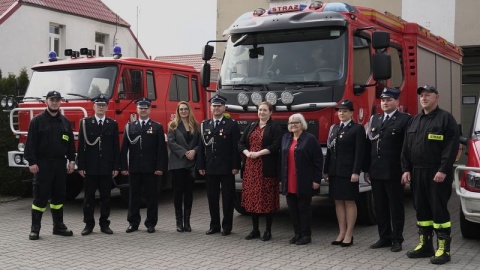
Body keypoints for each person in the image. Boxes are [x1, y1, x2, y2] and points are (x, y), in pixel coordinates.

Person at [401, 85, 459, 265]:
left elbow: (451, 147)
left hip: (437, 173)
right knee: (421, 208)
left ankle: (444, 249)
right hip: (417, 172)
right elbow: (406, 147)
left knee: (438, 209)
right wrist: (406, 169)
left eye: (428, 95)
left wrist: (443, 169)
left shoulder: (445, 119)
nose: (424, 98)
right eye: (421, 96)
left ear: (437, 97)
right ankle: (425, 245)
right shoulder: (414, 120)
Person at [24, 90, 76, 240]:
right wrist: (32, 162)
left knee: (59, 196)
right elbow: (30, 144)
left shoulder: (64, 121)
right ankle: (35, 229)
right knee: (40, 198)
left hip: (60, 164)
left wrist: (72, 161)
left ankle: (58, 226)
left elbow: (70, 145)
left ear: (60, 102)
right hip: (43, 164)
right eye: (52, 100)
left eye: (57, 100)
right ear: (46, 101)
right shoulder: (37, 121)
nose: (54, 102)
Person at [364, 88, 411, 252]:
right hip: (376, 171)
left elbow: (407, 147)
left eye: (389, 100)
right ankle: (384, 237)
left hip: (394, 171)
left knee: (395, 207)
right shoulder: (375, 119)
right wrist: (367, 168)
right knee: (380, 206)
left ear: (397, 102)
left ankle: (397, 239)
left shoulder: (405, 120)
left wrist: (406, 169)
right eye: (383, 100)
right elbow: (369, 145)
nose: (385, 103)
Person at [120, 98, 168, 234]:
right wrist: (123, 166)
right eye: (141, 108)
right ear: (137, 110)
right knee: (133, 196)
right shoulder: (130, 127)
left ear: (149, 110)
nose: (143, 110)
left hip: (151, 168)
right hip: (135, 168)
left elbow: (161, 150)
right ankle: (133, 223)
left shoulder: (156, 127)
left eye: (145, 108)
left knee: (151, 197)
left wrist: (160, 167)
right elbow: (124, 149)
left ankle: (151, 223)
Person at [238, 101, 283, 241]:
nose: (261, 112)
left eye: (264, 110)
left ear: (270, 112)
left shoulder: (275, 127)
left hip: (266, 168)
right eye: (259, 110)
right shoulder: (252, 126)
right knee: (252, 199)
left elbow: (276, 145)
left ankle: (268, 231)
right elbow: (240, 143)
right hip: (251, 168)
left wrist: (258, 153)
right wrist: (247, 153)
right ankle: (255, 230)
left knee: (267, 199)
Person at [197, 95, 241, 236]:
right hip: (210, 167)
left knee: (228, 198)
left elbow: (236, 147)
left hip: (227, 167)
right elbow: (201, 146)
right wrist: (201, 165)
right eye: (214, 106)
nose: (216, 108)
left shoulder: (231, 124)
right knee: (212, 198)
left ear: (224, 108)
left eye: (219, 106)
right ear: (211, 108)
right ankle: (214, 225)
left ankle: (227, 226)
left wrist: (236, 165)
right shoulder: (205, 124)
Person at [324, 99, 365, 247]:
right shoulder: (334, 128)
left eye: (345, 111)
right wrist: (326, 170)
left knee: (349, 201)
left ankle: (349, 234)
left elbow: (359, 152)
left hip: (348, 172)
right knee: (338, 201)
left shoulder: (357, 129)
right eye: (339, 111)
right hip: (335, 171)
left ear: (351, 113)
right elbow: (329, 150)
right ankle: (341, 232)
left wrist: (356, 171)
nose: (341, 113)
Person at [77, 94, 119, 236]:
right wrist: (81, 166)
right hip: (90, 167)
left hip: (106, 167)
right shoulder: (85, 123)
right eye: (98, 105)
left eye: (103, 105)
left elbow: (115, 147)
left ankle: (104, 224)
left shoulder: (112, 124)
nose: (101, 107)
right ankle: (88, 224)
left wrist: (115, 166)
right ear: (93, 107)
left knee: (106, 197)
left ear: (107, 107)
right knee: (88, 198)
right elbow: (81, 146)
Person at [280, 113, 323, 245]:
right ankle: (297, 233)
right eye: (291, 123)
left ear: (302, 124)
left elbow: (318, 160)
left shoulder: (310, 139)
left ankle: (306, 235)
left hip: (304, 180)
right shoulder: (286, 138)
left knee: (304, 208)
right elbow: (281, 159)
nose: (293, 125)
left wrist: (317, 180)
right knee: (292, 209)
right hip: (289, 181)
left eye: (296, 123)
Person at [167, 101, 201, 232]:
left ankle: (187, 222)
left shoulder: (196, 125)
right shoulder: (173, 125)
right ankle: (179, 222)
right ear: (178, 111)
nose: (183, 111)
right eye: (181, 109)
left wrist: (194, 151)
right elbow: (171, 142)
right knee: (178, 192)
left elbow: (200, 143)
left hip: (191, 163)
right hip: (178, 163)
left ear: (189, 110)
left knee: (189, 193)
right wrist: (184, 152)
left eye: (185, 109)